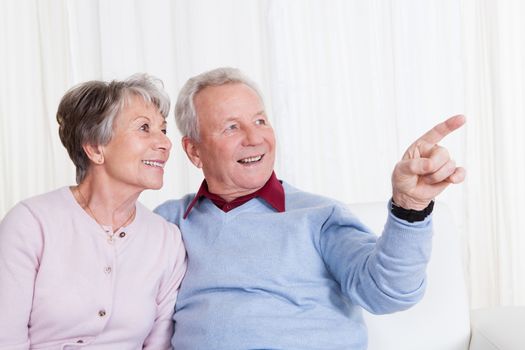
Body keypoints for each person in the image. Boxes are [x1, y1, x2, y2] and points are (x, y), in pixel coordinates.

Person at [155, 67, 466, 350]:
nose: (255, 138)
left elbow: (387, 292)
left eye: (260, 121)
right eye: (232, 127)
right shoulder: (169, 224)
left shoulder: (319, 216)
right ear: (194, 151)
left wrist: (410, 207)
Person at [0, 74, 187, 349]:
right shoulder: (30, 224)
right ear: (95, 148)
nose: (165, 143)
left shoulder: (167, 241)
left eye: (163, 130)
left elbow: (159, 345)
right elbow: (6, 339)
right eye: (144, 128)